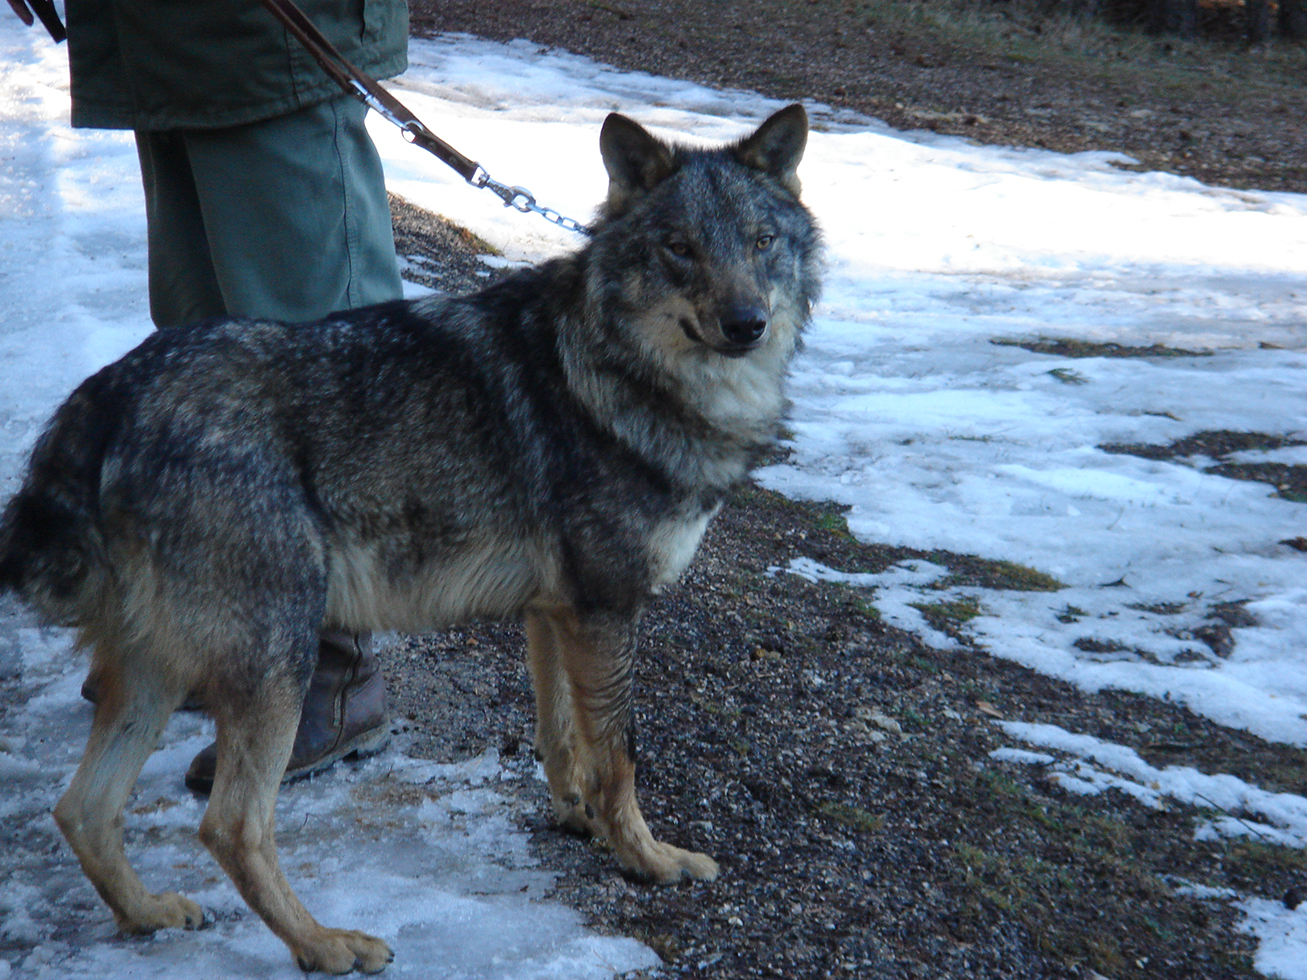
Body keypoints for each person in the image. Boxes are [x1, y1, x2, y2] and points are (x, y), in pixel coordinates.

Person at [11, 0, 410, 793]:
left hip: (272, 30)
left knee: (323, 365)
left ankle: (334, 667)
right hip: (165, 33)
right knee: (211, 353)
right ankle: (228, 634)